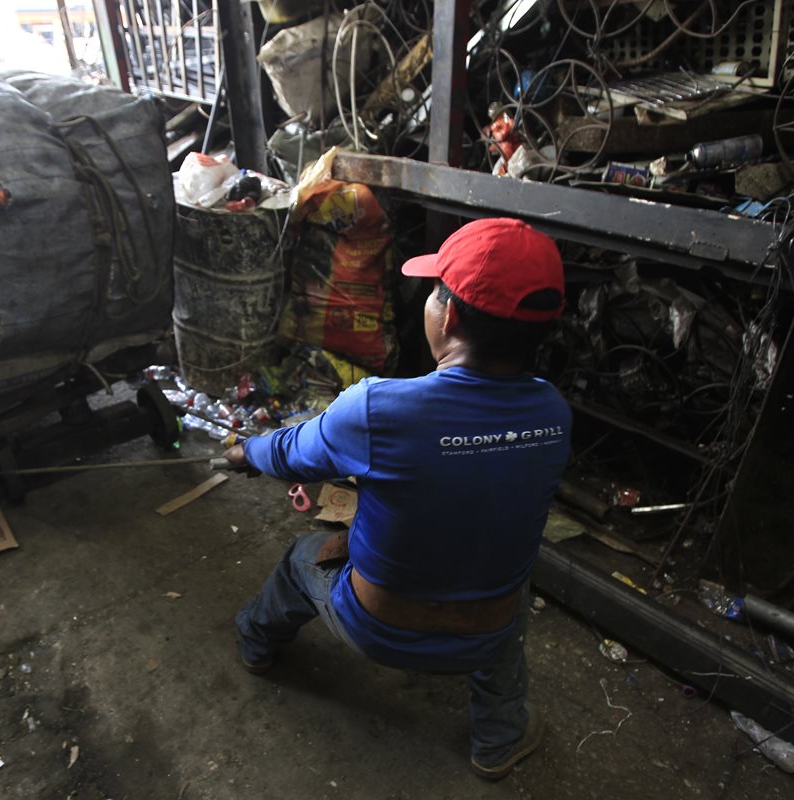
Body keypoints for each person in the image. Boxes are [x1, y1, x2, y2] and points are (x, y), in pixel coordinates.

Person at [222, 217, 572, 779]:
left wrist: (246, 453)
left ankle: (256, 644)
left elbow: (289, 452)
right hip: (486, 631)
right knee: (511, 584)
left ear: (449, 315)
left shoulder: (376, 409)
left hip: (377, 628)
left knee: (301, 559)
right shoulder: (554, 413)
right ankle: (498, 740)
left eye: (435, 292)